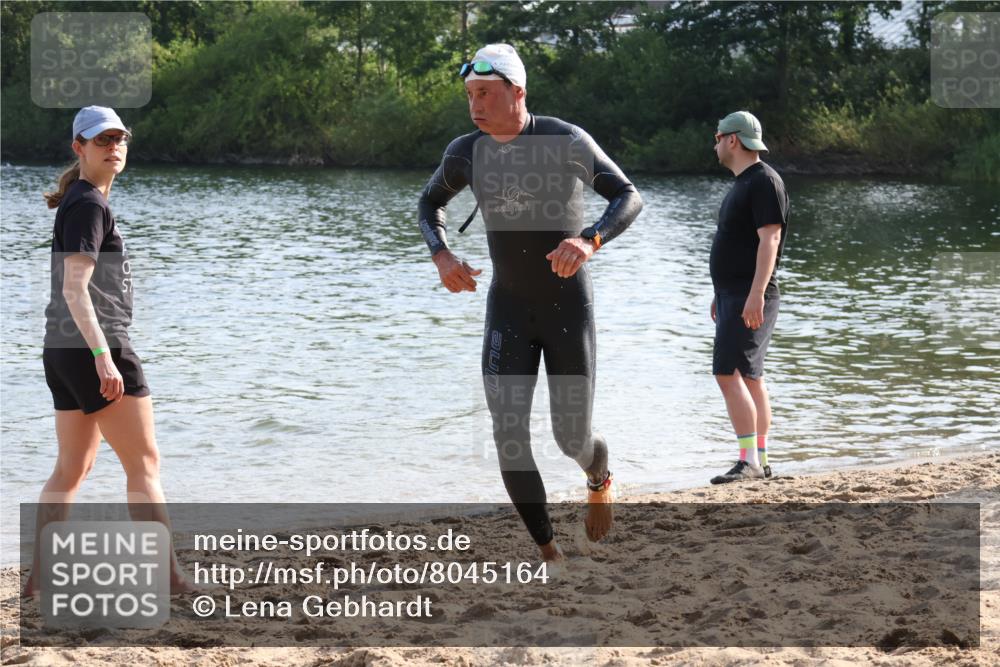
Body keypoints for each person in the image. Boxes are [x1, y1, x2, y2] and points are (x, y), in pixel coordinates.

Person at [417, 44, 643, 562]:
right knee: (509, 434)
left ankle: (599, 473)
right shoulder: (466, 151)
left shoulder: (564, 140)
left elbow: (627, 195)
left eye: (486, 94)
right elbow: (430, 202)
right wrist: (442, 254)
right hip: (509, 310)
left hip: (568, 310)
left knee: (571, 438)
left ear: (517, 92)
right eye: (470, 95)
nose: (475, 105)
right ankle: (549, 551)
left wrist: (589, 240)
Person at [24, 106, 193, 596]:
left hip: (60, 348)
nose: (113, 147)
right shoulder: (89, 205)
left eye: (120, 138)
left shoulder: (80, 199)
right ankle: (168, 575)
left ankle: (38, 578)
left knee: (73, 466)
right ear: (78, 148)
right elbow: (77, 289)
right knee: (144, 463)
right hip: (96, 346)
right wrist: (103, 357)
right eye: (101, 140)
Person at [708, 111, 789, 484]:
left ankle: (749, 461)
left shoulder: (763, 182)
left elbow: (769, 239)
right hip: (733, 293)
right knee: (750, 377)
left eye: (718, 136)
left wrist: (755, 293)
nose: (715, 143)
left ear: (733, 140)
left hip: (749, 294)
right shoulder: (744, 183)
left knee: (729, 373)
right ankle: (760, 459)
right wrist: (719, 292)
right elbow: (738, 243)